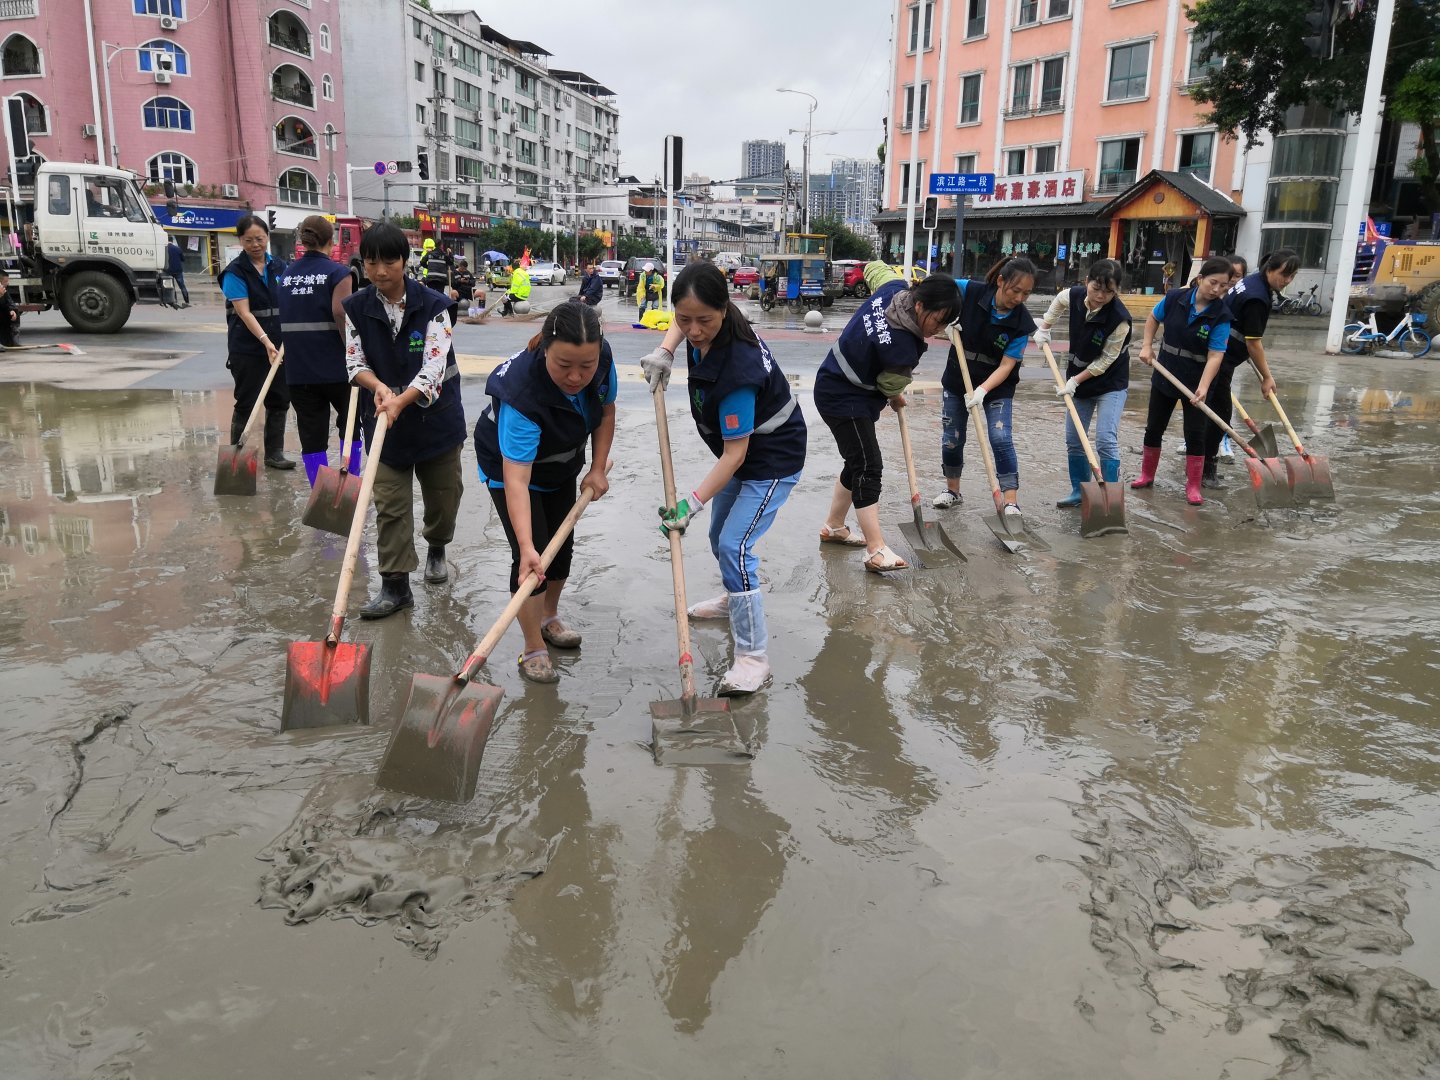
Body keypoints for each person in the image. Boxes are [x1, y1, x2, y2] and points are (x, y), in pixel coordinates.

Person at [641, 262, 807, 694]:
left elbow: (736, 455)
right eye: (684, 319)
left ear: (725, 308)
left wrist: (689, 505)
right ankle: (735, 599)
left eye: (704, 321)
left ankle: (753, 657)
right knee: (720, 539)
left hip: (770, 460)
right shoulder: (703, 325)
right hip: (741, 455)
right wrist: (666, 349)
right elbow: (686, 320)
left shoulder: (738, 368)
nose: (694, 330)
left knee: (736, 546)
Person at [474, 301, 615, 683]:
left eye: (585, 366)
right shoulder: (522, 393)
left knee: (561, 547)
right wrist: (525, 547)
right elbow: (517, 479)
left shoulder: (600, 361)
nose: (576, 376)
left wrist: (597, 467)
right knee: (534, 555)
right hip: (511, 468)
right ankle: (533, 645)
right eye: (564, 365)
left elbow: (605, 412)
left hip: (559, 461)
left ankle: (550, 616)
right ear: (544, 348)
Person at [343, 222, 466, 618]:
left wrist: (401, 401)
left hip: (436, 423)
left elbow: (432, 370)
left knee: (443, 499)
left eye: (389, 261)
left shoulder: (435, 307)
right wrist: (377, 386)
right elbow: (353, 362)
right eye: (371, 262)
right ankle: (395, 586)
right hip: (384, 422)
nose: (380, 271)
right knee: (391, 505)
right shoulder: (356, 308)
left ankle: (437, 547)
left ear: (404, 261)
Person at [809, 261, 962, 573]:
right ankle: (875, 549)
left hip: (832, 381)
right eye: (938, 319)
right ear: (920, 304)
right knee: (868, 466)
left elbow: (875, 269)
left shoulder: (894, 288)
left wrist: (892, 391)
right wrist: (895, 394)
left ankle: (835, 526)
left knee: (856, 461)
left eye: (947, 323)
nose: (939, 329)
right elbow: (888, 383)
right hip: (844, 397)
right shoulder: (905, 347)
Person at [932, 257, 1038, 515]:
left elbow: (1006, 365)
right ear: (1001, 281)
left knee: (1000, 437)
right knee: (952, 439)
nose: (1019, 298)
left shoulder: (1021, 323)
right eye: (1015, 290)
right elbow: (939, 286)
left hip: (997, 386)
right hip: (958, 378)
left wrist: (982, 391)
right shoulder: (971, 291)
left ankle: (1010, 501)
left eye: (1026, 293)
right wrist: (946, 319)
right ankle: (953, 491)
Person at [1131, 255, 1234, 506]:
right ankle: (1146, 475)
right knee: (1155, 427)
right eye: (1213, 283)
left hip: (1196, 381)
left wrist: (1204, 387)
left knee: (1195, 433)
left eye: (1224, 286)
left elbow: (1215, 355)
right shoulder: (1175, 297)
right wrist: (1147, 346)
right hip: (1166, 372)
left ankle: (1193, 486)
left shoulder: (1222, 315)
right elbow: (1154, 318)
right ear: (1200, 279)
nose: (1217, 290)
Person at [1032, 258, 1132, 507]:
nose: (1100, 296)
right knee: (1074, 439)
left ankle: (1111, 500)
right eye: (1096, 288)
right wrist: (1045, 327)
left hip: (1110, 383)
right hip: (1079, 380)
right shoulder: (1074, 295)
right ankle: (1079, 492)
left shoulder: (1120, 320)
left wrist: (1075, 381)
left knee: (1105, 439)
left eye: (1109, 291)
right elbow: (1058, 302)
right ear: (1087, 282)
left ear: (1116, 291)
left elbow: (1105, 361)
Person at [1198, 250, 1298, 485]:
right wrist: (1267, 377)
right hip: (1220, 356)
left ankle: (1202, 465)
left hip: (1222, 351)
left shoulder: (1252, 281)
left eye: (1292, 276)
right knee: (1218, 414)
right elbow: (1253, 342)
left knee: (1215, 411)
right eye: (1284, 274)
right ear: (1270, 269)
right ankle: (1205, 470)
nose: (1287, 280)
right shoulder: (1257, 297)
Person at [277, 214, 356, 487]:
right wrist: (353, 351)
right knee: (350, 424)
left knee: (311, 433)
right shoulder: (338, 273)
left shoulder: (286, 276)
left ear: (303, 241)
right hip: (336, 367)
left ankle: (319, 492)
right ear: (331, 241)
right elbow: (339, 311)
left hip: (299, 370)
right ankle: (350, 483)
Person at [217, 213, 293, 469]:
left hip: (280, 347)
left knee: (279, 399)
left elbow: (291, 303)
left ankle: (275, 454)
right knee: (247, 402)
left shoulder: (280, 267)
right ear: (241, 241)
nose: (255, 245)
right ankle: (237, 461)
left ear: (267, 238)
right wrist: (265, 340)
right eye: (249, 240)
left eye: (260, 239)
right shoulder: (234, 272)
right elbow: (244, 312)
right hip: (248, 348)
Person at [165, 238, 190, 308]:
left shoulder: (165, 249)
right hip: (178, 270)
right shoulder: (178, 249)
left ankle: (174, 301)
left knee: (172, 286)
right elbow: (183, 259)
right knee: (182, 286)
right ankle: (187, 301)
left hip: (168, 271)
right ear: (172, 241)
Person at [0, 271, 21, 348]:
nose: (7, 283)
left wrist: (11, 310)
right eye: (5, 281)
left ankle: (12, 340)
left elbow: (9, 302)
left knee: (14, 311)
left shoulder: (4, 289)